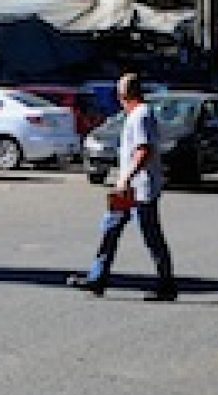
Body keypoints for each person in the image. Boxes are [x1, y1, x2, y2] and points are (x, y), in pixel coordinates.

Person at [67, 73, 177, 302]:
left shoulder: (141, 116)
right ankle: (97, 278)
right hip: (128, 188)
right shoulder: (136, 115)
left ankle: (167, 285)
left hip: (140, 188)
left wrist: (126, 177)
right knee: (110, 228)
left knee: (151, 235)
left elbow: (143, 150)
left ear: (123, 94)